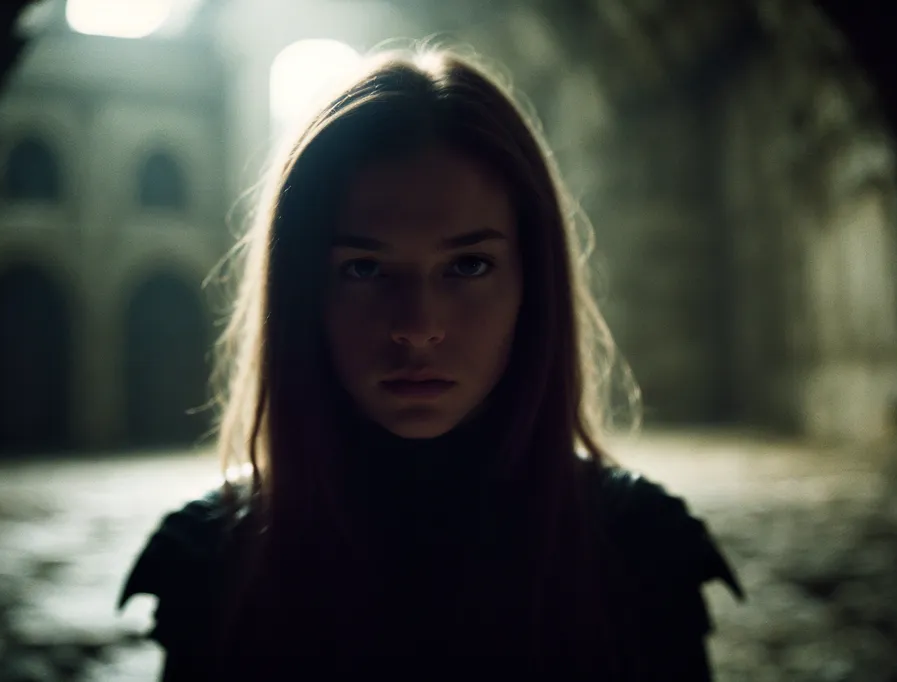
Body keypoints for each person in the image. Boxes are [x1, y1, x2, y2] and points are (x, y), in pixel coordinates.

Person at [118, 46, 743, 679]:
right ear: (304, 290)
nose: (417, 328)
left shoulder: (637, 549)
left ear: (533, 282)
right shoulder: (212, 561)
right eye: (364, 269)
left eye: (467, 265)